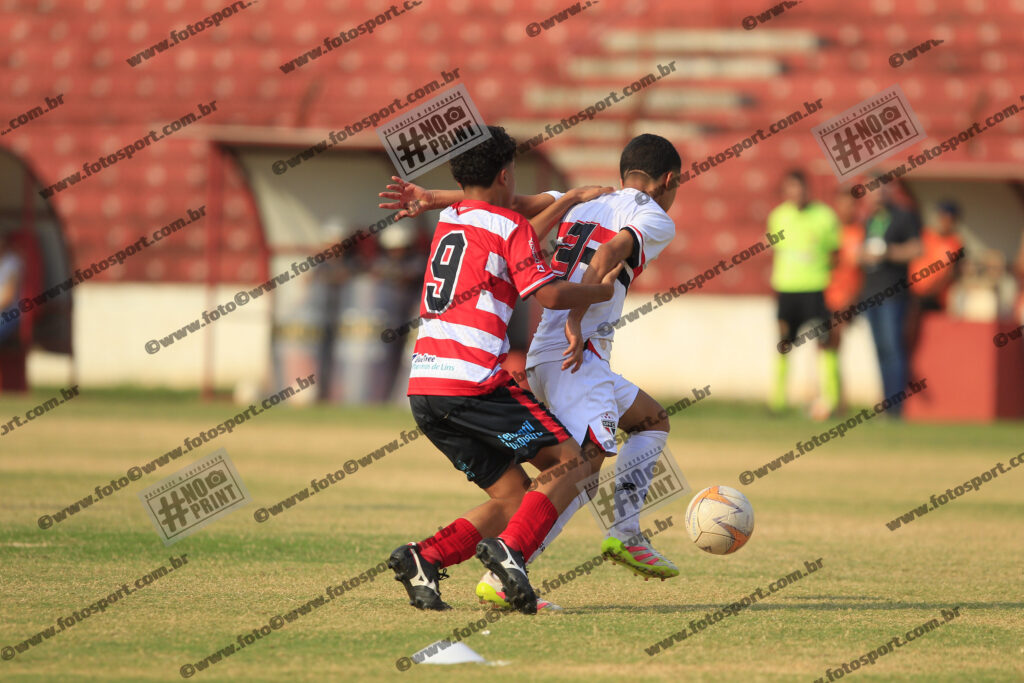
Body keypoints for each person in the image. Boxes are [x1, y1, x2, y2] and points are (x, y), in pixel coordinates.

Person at [382, 133, 686, 608]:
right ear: (671, 180)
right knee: (576, 465)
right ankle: (513, 564)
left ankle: (434, 556)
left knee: (648, 423)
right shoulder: (650, 216)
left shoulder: (563, 203)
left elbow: (495, 198)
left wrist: (430, 199)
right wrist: (579, 319)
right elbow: (600, 260)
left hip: (433, 379)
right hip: (552, 357)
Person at [768, 170, 841, 418]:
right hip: (787, 289)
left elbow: (835, 252)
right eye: (791, 188)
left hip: (815, 288)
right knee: (783, 343)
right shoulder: (778, 216)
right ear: (786, 191)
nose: (796, 193)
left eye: (799, 188)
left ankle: (830, 400)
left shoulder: (824, 216)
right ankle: (778, 402)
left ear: (807, 189)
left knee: (825, 343)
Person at [858, 179, 922, 418]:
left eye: (880, 188)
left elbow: (917, 249)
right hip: (870, 293)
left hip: (893, 295)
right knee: (880, 351)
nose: (876, 194)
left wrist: (888, 252)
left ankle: (897, 409)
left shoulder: (904, 216)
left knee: (894, 349)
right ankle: (887, 405)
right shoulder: (868, 220)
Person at [823, 189, 865, 417]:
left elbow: (860, 270)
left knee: (835, 343)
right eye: (842, 204)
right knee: (827, 346)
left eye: (850, 205)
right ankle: (833, 399)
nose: (846, 209)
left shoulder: (860, 233)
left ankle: (837, 401)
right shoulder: (831, 232)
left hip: (848, 298)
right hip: (827, 296)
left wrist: (853, 298)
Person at [905, 201, 964, 356]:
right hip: (913, 295)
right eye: (942, 217)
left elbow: (953, 274)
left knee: (935, 343)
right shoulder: (923, 236)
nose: (945, 222)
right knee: (907, 338)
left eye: (949, 219)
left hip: (937, 299)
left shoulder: (956, 243)